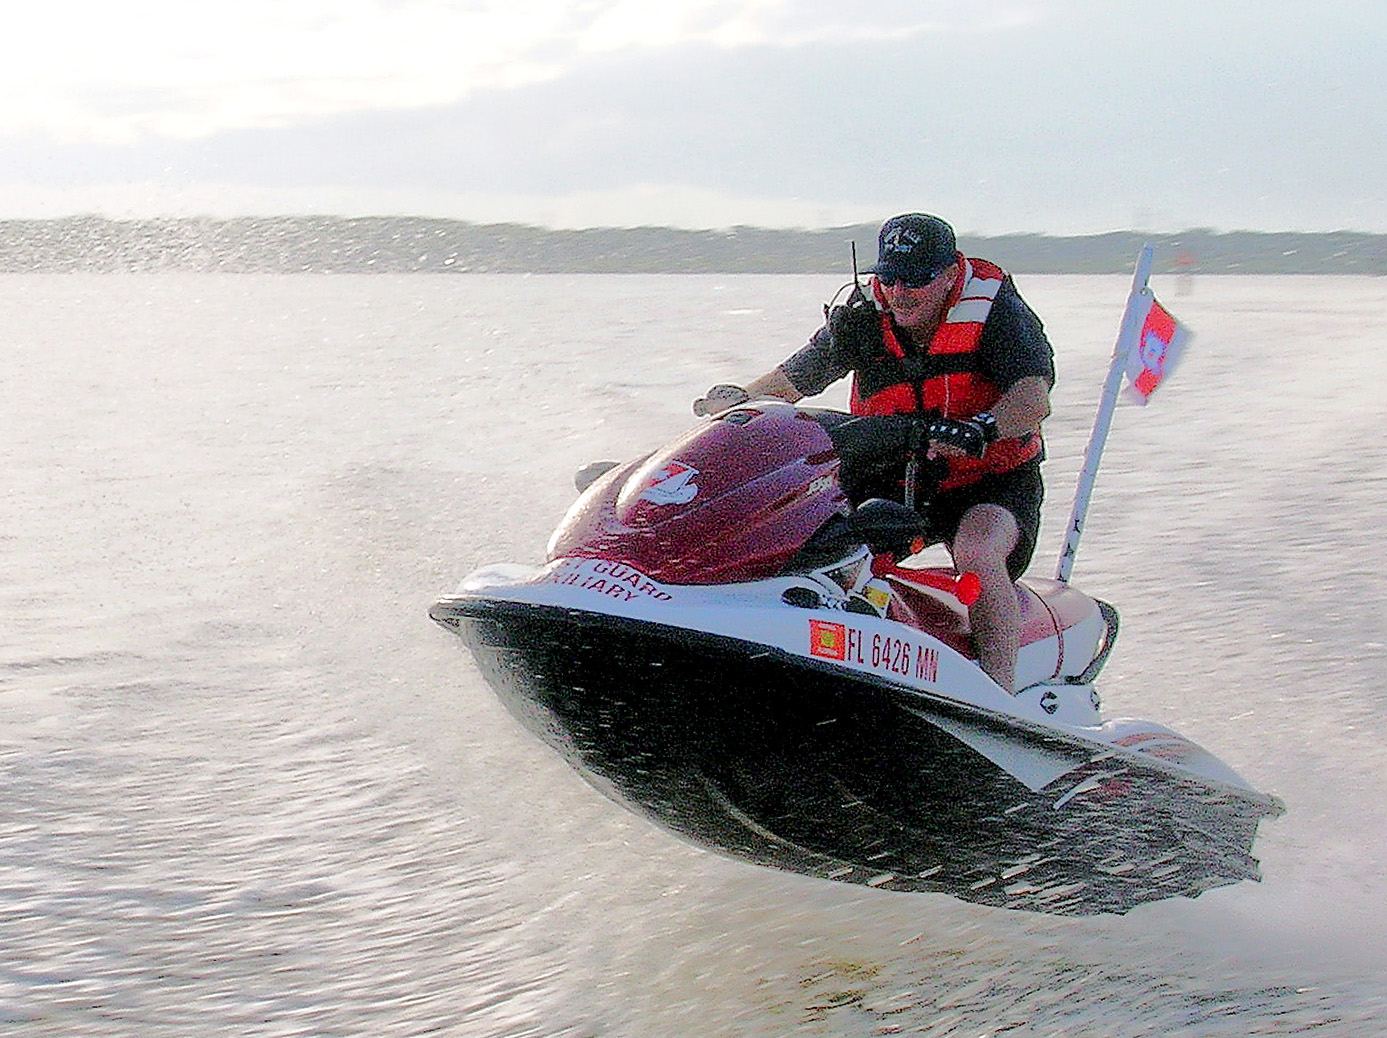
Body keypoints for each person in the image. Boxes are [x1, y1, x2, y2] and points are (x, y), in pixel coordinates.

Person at [693, 213, 1054, 692]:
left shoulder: (994, 310)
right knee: (811, 531)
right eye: (889, 277)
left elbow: (1033, 396)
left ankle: (1000, 696)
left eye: (917, 279)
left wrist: (980, 430)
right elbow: (789, 383)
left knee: (977, 552)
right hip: (896, 470)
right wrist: (739, 404)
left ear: (949, 274)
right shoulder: (863, 317)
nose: (900, 291)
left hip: (988, 479)